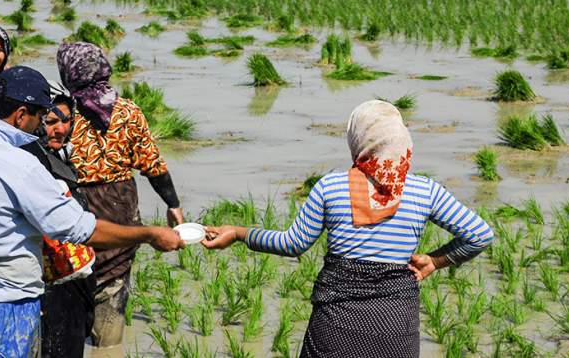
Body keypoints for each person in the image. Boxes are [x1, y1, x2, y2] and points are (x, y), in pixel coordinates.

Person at [203, 100, 495, 358]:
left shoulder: (330, 187)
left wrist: (239, 233)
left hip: (335, 323)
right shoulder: (425, 191)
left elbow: (293, 243)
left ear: (357, 140)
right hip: (396, 326)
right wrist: (435, 260)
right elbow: (480, 235)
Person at [0, 66, 184, 358]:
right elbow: (79, 229)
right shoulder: (22, 166)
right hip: (4, 308)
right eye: (41, 116)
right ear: (21, 114)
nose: (44, 126)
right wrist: (150, 233)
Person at [57, 42, 184, 347]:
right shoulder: (127, 111)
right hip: (120, 205)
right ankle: (107, 347)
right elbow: (152, 164)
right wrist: (173, 204)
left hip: (76, 205)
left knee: (73, 281)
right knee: (113, 282)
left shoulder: (61, 114)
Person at [20, 81, 96, 358]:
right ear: (36, 119)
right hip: (49, 282)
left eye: (66, 121)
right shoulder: (30, 161)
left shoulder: (61, 157)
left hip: (74, 272)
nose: (60, 129)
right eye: (51, 121)